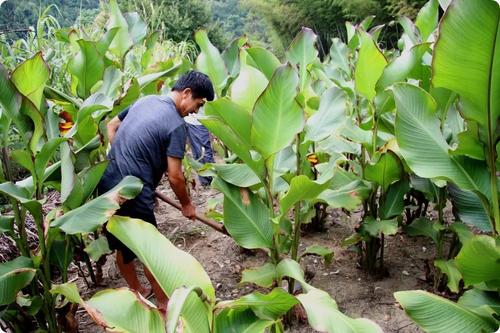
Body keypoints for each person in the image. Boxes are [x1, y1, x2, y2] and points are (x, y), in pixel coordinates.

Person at [98, 71, 214, 314]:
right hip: (134, 191)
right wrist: (186, 205)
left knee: (123, 244)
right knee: (151, 249)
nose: (196, 111)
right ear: (187, 94)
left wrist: (118, 157)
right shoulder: (175, 125)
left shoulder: (146, 100)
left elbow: (112, 125)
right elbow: (175, 176)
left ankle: (138, 291)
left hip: (108, 182)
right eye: (198, 104)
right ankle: (163, 305)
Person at [184, 110, 215, 187]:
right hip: (192, 120)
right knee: (198, 153)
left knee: (204, 152)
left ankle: (212, 180)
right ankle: (206, 181)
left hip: (200, 121)